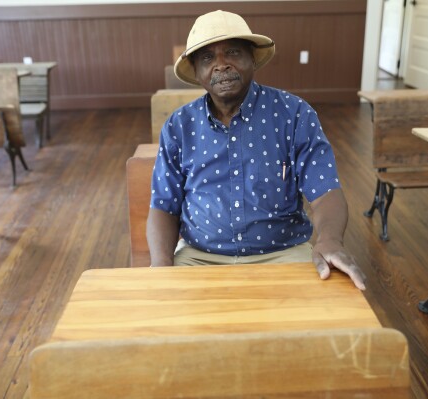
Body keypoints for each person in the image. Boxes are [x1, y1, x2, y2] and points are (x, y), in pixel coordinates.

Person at [147, 10, 366, 290]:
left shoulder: (295, 115)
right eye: (208, 58)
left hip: (285, 253)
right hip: (199, 257)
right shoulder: (179, 126)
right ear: (197, 71)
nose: (221, 65)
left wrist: (330, 241)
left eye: (233, 52)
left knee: (324, 321)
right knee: (173, 326)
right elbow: (164, 206)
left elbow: (325, 193)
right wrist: (161, 266)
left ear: (252, 58)